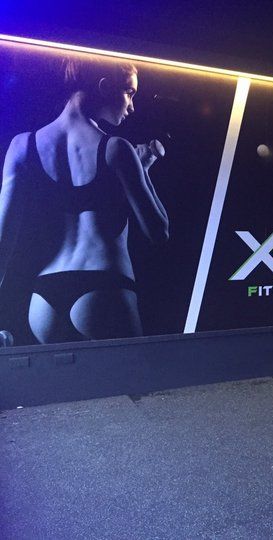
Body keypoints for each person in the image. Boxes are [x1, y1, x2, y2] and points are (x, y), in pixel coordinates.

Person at [0, 56, 169, 343]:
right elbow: (159, 231)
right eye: (129, 92)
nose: (132, 105)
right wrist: (143, 170)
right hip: (105, 287)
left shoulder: (22, 146)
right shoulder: (117, 149)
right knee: (131, 373)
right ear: (104, 86)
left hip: (44, 297)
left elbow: (3, 238)